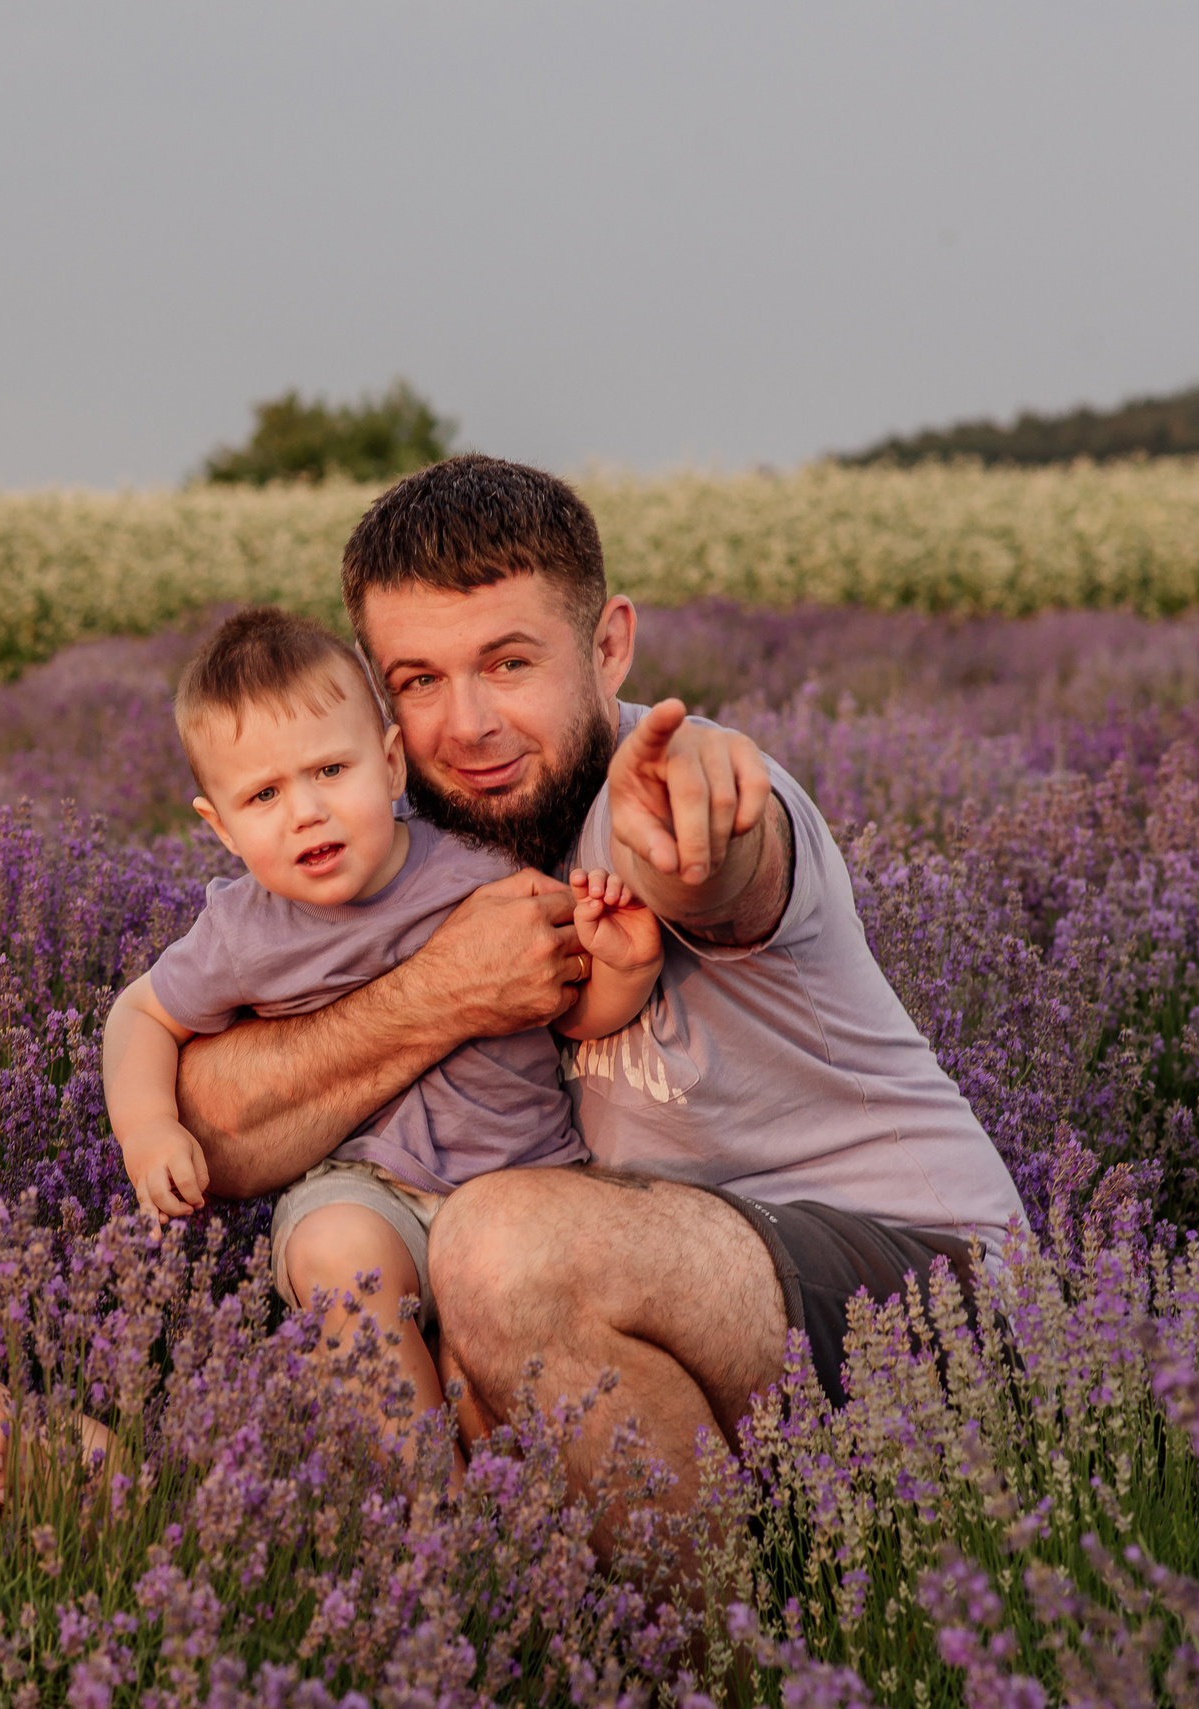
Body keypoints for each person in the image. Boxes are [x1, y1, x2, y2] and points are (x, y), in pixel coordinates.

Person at [171, 456, 1029, 1531]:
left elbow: (722, 866)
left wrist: (699, 829)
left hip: (921, 1286)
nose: (467, 723)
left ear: (609, 643)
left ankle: (728, 1671)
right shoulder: (385, 858)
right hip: (667, 1303)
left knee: (493, 1246)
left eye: (510, 660)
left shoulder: (666, 786)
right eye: (418, 679)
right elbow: (212, 1130)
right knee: (442, 1338)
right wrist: (442, 994)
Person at [101, 606, 662, 1459]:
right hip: (363, 1187)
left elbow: (570, 1009)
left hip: (520, 1180)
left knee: (513, 1365)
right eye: (263, 795)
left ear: (391, 761)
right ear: (217, 825)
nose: (307, 811)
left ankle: (509, 1510)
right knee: (336, 1254)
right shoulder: (242, 931)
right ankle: (420, 1507)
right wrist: (148, 1130)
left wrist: (627, 967)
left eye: (331, 768)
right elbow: (141, 1014)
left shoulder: (477, 866)